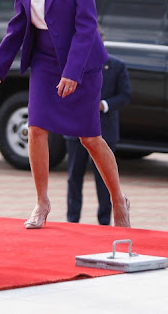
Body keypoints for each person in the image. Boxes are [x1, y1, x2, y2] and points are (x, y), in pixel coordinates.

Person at [0, 0, 130, 231]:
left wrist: (72, 72)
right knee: (36, 128)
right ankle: (42, 202)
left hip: (81, 60)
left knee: (89, 137)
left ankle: (118, 200)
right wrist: (0, 62)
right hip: (45, 59)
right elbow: (19, 21)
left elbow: (86, 22)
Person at [66, 28, 131, 225]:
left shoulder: (116, 66)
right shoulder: (73, 65)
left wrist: (103, 104)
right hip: (76, 129)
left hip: (104, 130)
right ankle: (72, 220)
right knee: (74, 177)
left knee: (105, 180)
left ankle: (104, 221)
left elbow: (125, 95)